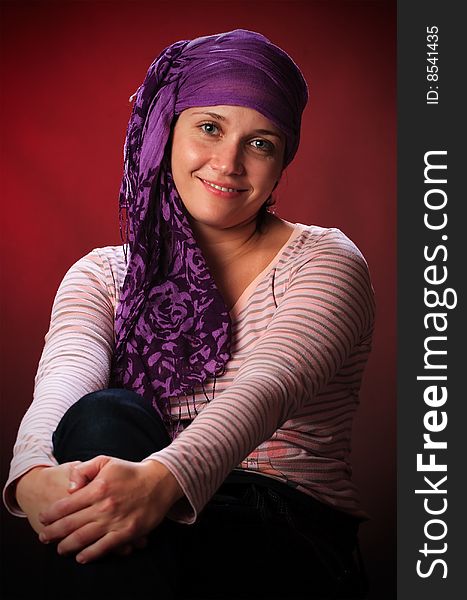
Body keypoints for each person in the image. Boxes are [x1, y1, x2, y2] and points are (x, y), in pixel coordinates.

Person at [3, 29, 375, 599]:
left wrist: (159, 483)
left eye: (261, 143)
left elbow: (265, 389)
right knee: (102, 419)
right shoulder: (101, 276)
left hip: (278, 523)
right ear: (165, 131)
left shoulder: (325, 261)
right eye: (209, 128)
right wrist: (32, 477)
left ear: (282, 163)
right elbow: (63, 386)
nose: (228, 163)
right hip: (130, 514)